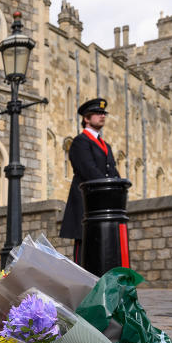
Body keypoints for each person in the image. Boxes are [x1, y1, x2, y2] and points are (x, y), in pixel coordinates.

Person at [60, 97, 119, 263]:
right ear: (86, 118)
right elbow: (88, 169)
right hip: (86, 201)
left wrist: (118, 185)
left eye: (103, 113)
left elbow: (112, 170)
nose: (102, 116)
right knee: (84, 244)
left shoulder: (105, 145)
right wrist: (108, 186)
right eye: (98, 113)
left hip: (102, 202)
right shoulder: (80, 142)